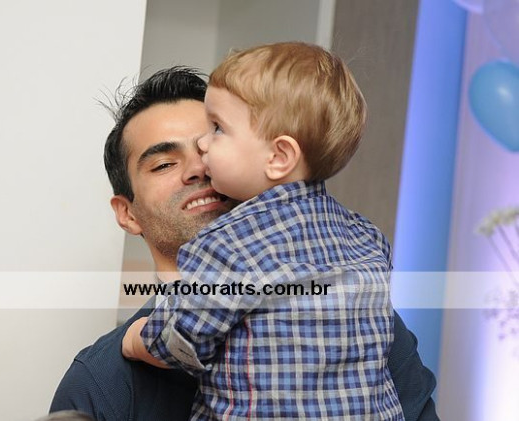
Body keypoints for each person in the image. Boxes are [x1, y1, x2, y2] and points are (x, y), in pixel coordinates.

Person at [49, 66, 439, 421]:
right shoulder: (101, 382)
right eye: (164, 164)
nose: (199, 168)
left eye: (212, 142)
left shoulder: (354, 315)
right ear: (127, 213)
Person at [123, 43, 402, 420]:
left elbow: (181, 341)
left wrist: (137, 340)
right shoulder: (366, 237)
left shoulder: (226, 246)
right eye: (164, 164)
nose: (203, 145)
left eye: (217, 129)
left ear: (279, 157)